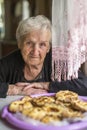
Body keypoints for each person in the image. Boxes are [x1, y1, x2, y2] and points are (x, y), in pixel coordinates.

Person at [0, 15, 87, 98]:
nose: (35, 51)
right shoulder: (7, 63)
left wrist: (46, 85)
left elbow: (84, 85)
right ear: (19, 44)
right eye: (29, 43)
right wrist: (15, 90)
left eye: (42, 44)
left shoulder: (57, 61)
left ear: (48, 47)